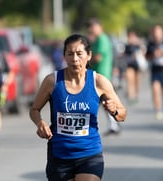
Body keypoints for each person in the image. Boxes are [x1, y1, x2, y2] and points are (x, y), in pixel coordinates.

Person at [29, 34, 127, 181]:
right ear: (64, 56)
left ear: (89, 55)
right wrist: (40, 123)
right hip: (60, 155)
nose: (75, 59)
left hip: (89, 153)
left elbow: (122, 114)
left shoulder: (99, 82)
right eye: (70, 54)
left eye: (79, 54)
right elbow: (34, 110)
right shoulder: (52, 81)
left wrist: (115, 110)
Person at [86, 18, 121, 135]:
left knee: (106, 101)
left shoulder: (102, 39)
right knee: (103, 102)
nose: (91, 29)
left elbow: (98, 57)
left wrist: (85, 64)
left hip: (103, 75)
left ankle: (114, 124)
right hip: (97, 75)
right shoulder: (96, 40)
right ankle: (113, 124)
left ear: (99, 27)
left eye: (93, 27)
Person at [146, 25, 163, 120]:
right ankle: (158, 110)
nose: (156, 34)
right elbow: (147, 57)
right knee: (155, 89)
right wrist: (153, 55)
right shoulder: (151, 44)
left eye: (158, 32)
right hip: (155, 70)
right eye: (155, 32)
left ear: (162, 33)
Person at [123, 31, 143, 104]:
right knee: (130, 80)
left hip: (137, 66)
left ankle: (136, 95)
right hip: (130, 65)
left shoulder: (138, 46)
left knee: (136, 81)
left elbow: (142, 53)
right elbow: (124, 55)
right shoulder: (127, 46)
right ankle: (131, 96)